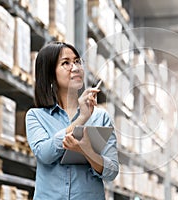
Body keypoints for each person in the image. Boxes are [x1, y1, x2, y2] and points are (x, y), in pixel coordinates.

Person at [25, 41, 119, 200]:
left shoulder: (100, 117)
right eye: (65, 63)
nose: (75, 68)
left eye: (77, 61)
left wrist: (87, 151)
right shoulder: (36, 116)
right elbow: (45, 154)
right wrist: (81, 119)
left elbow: (112, 171)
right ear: (50, 73)